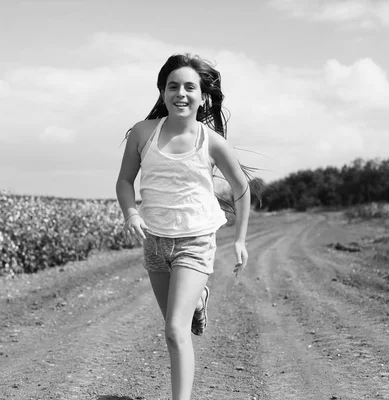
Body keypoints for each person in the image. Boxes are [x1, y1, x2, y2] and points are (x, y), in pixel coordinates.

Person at [116, 53, 250, 400]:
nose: (181, 93)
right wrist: (131, 213)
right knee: (174, 325)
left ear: (203, 96)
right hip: (155, 243)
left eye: (190, 87)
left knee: (176, 331)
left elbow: (241, 188)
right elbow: (124, 182)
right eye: (173, 86)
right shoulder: (143, 133)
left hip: (195, 242)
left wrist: (240, 240)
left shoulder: (212, 142)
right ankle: (198, 300)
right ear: (162, 92)